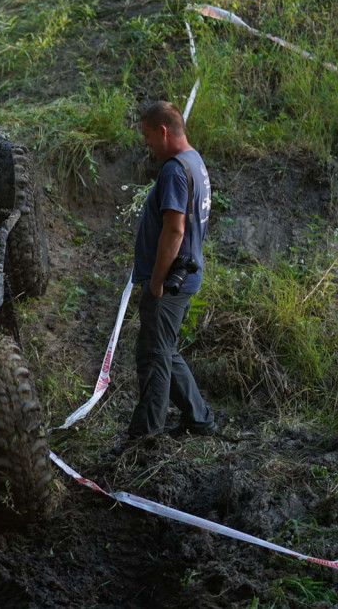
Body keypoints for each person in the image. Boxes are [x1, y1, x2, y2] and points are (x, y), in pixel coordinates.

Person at [127, 101, 216, 439]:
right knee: (164, 348)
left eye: (148, 136)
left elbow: (175, 229)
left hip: (169, 283)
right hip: (185, 277)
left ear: (163, 131)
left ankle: (144, 435)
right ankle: (199, 419)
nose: (146, 143)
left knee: (153, 356)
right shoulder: (195, 162)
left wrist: (157, 283)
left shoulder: (175, 169)